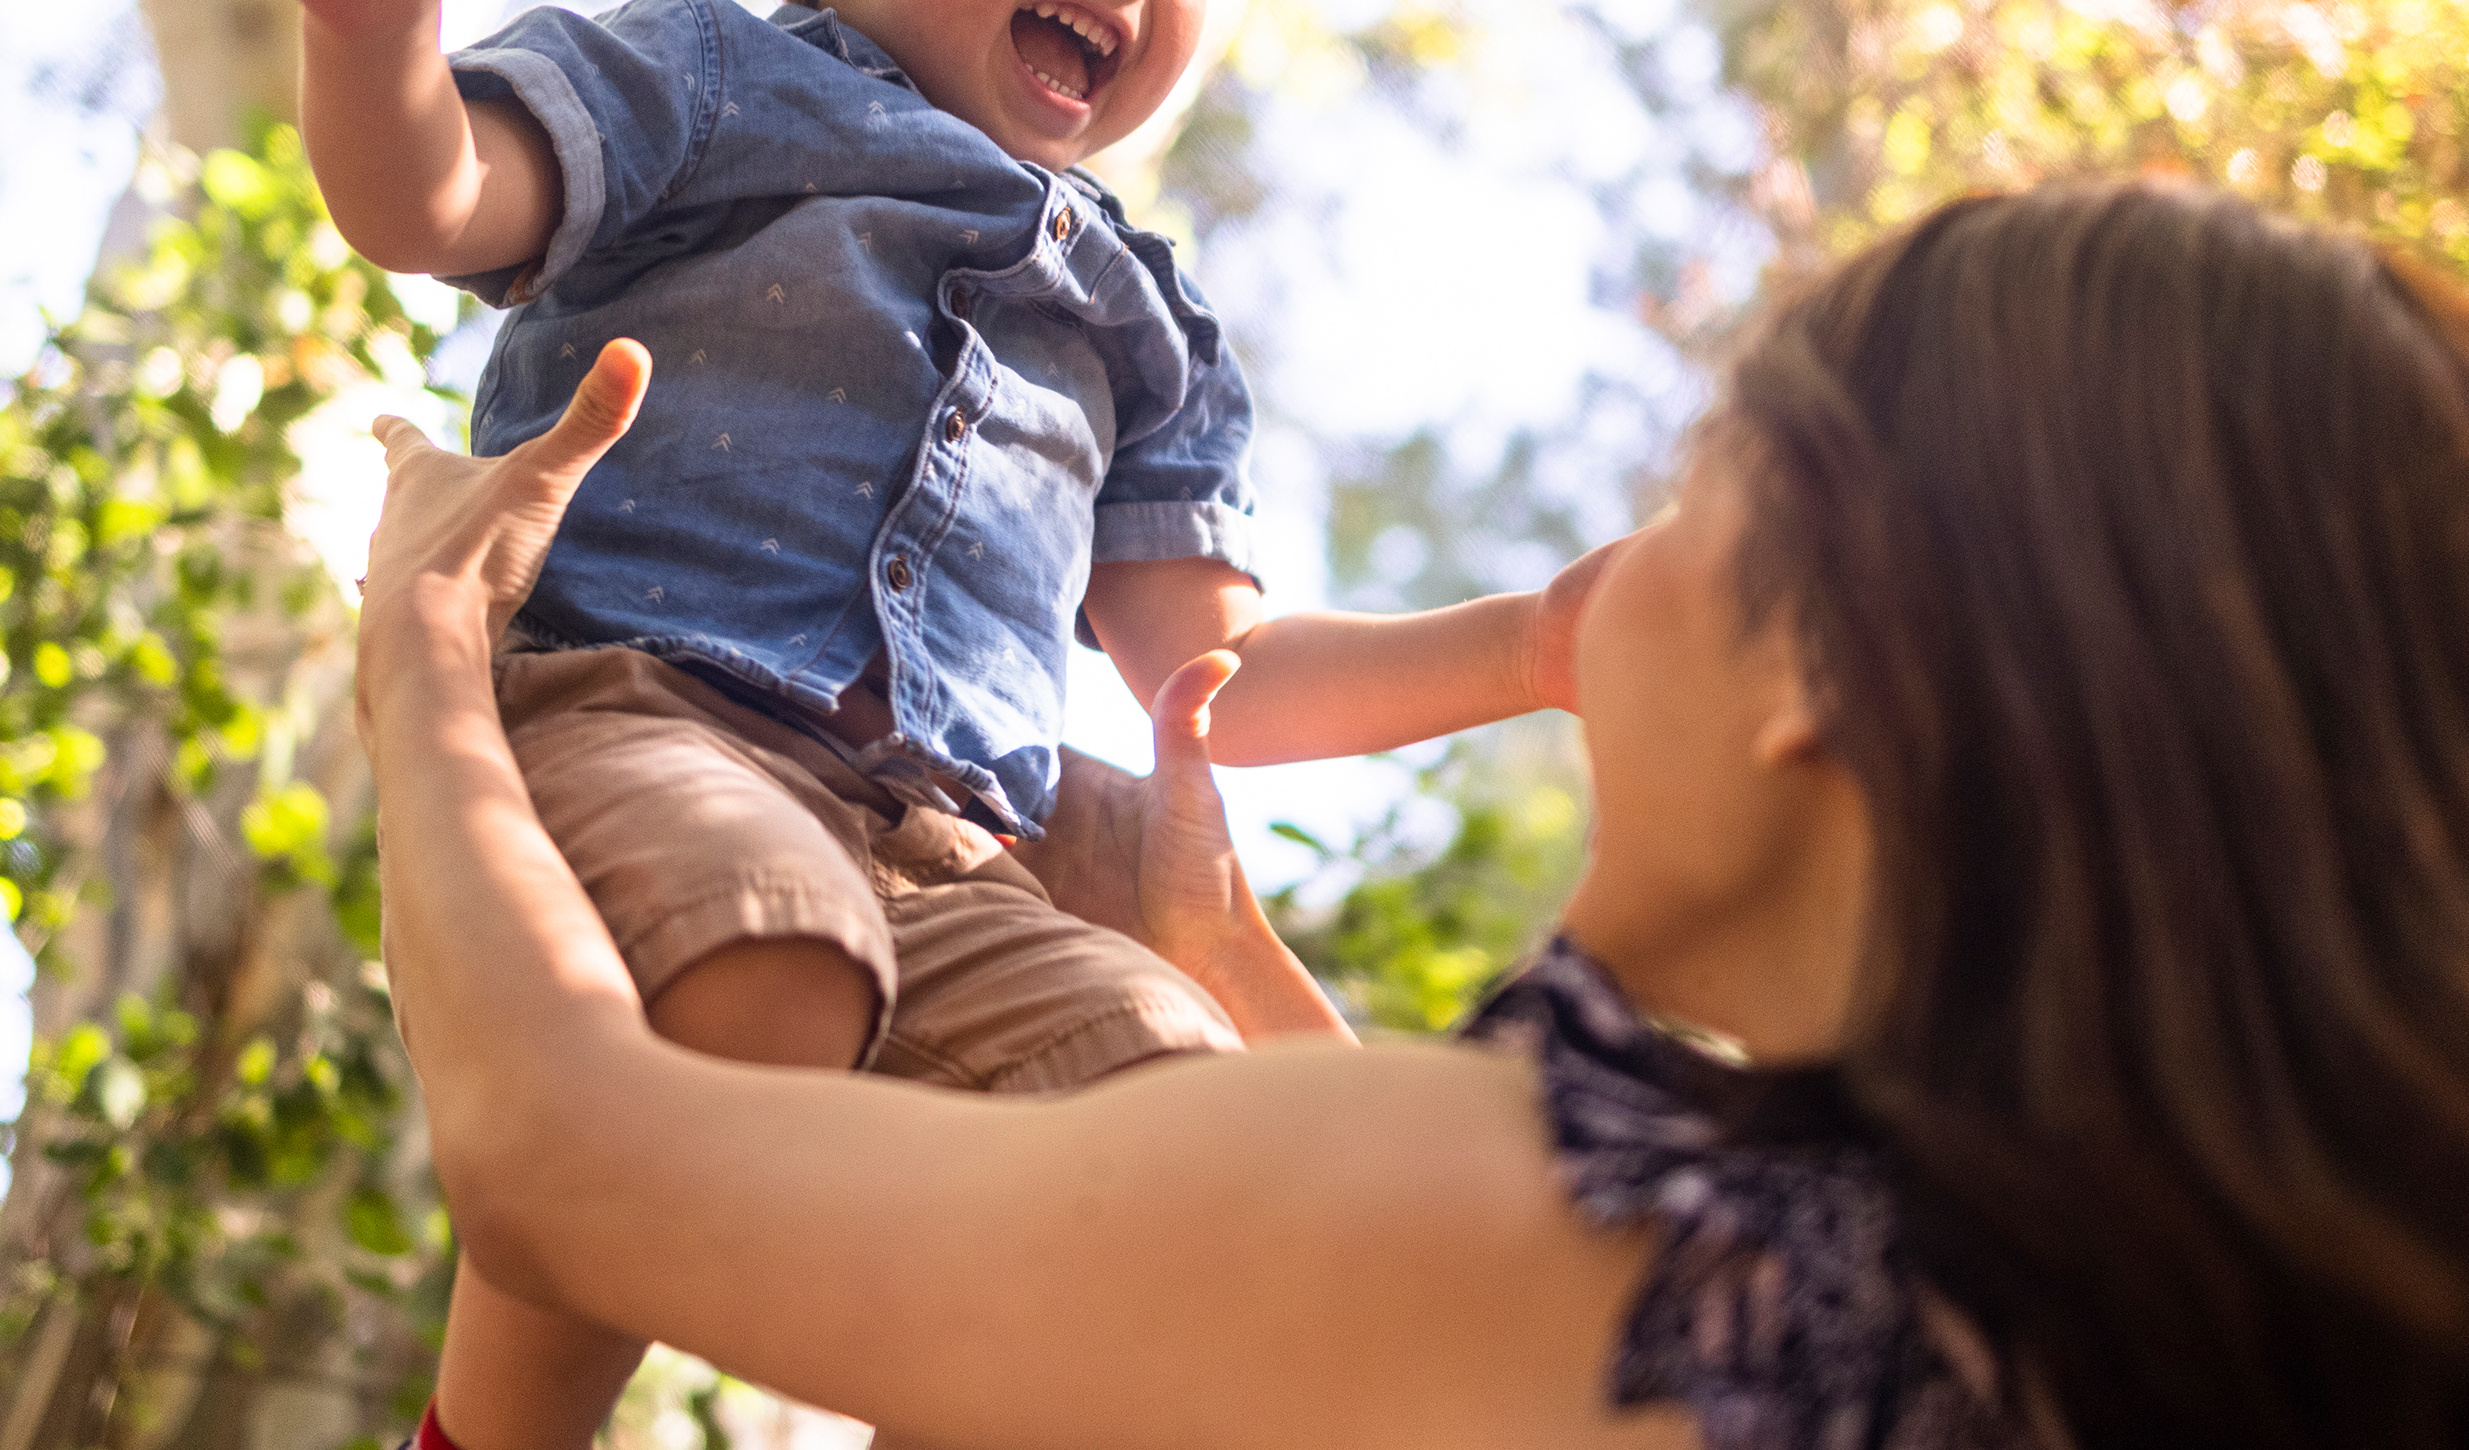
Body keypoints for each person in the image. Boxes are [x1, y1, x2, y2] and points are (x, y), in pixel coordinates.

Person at [359, 182, 2469, 1449]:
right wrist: (1229, 971)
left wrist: (431, 649)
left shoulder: (1626, 1247)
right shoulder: (2169, 1333)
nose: (1604, 591)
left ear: (1823, 657)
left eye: (1696, 489)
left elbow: (575, 1157)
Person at [233, 0, 1604, 1445]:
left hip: (955, 847)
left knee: (1179, 1129)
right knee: (770, 966)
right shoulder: (718, 83)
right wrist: (379, 26)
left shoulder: (1148, 322)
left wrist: (1534, 646)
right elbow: (437, 196)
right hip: (643, 712)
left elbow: (1221, 675)